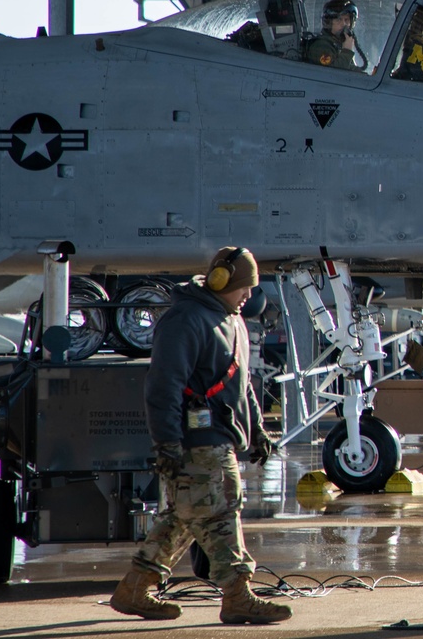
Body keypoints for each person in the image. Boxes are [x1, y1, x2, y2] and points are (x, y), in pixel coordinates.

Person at [110, 247, 292, 624]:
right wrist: (168, 443)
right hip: (198, 443)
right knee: (221, 514)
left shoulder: (231, 320)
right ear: (222, 281)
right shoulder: (186, 320)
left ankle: (134, 589)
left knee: (183, 518)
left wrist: (256, 430)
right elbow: (163, 386)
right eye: (244, 287)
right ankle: (238, 595)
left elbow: (243, 385)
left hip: (221, 436)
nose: (249, 296)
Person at [305, 0, 360, 70]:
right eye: (339, 19)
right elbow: (333, 74)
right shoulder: (321, 46)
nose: (344, 24)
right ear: (329, 23)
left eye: (346, 20)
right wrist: (347, 51)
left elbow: (351, 70)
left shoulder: (340, 45)